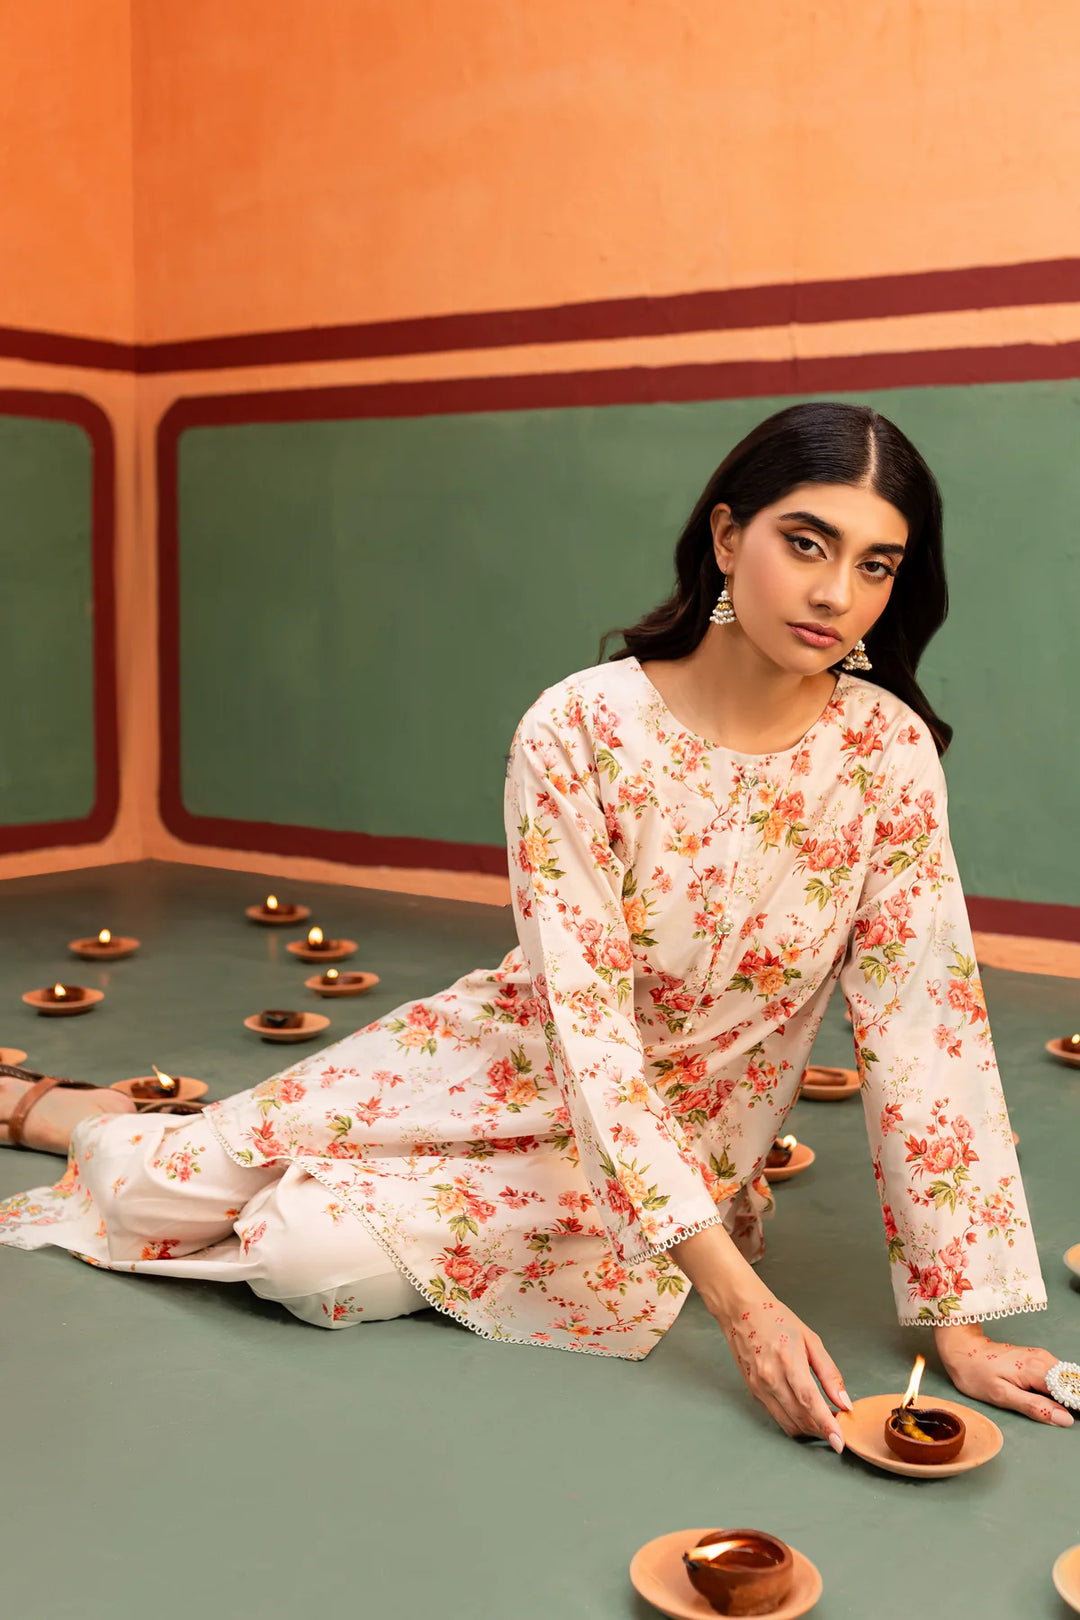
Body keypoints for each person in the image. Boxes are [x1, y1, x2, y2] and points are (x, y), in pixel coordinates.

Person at [0, 401, 1069, 1448]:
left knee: (301, 1257)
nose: (838, 594)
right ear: (728, 534)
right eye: (807, 543)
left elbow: (925, 1034)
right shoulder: (581, 727)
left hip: (676, 1161)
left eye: (876, 565)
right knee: (159, 1191)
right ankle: (71, 1114)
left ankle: (236, 1155)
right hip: (515, 1062)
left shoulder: (885, 757)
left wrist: (957, 1329)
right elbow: (587, 1034)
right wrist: (747, 1314)